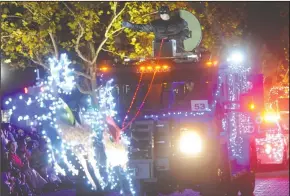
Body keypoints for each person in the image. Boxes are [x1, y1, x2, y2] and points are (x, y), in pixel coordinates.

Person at [122, 5, 190, 53]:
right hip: (160, 53)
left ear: (168, 12)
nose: (163, 14)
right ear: (159, 14)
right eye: (162, 13)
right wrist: (130, 25)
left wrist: (176, 37)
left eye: (165, 12)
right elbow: (142, 27)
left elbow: (186, 32)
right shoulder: (155, 24)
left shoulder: (179, 21)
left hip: (178, 52)